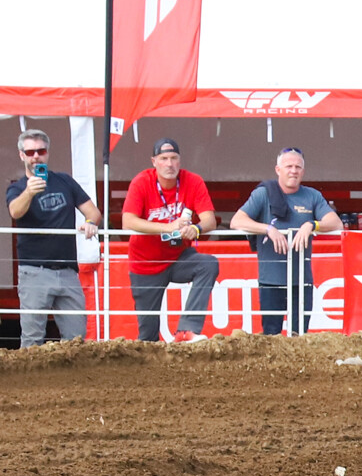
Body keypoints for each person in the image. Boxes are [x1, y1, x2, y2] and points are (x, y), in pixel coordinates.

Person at [230, 148, 341, 336]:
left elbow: (336, 223)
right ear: (278, 169)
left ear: (303, 172)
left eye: (298, 167)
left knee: (300, 336)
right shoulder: (263, 194)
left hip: (302, 280)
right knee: (271, 336)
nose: (294, 171)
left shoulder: (312, 195)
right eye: (289, 166)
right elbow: (237, 221)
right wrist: (268, 229)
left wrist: (311, 225)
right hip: (271, 280)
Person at [7, 130, 100, 347]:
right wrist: (29, 193)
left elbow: (94, 212)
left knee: (76, 336)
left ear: (47, 153)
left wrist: (90, 223)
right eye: (30, 152)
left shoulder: (64, 181)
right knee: (32, 337)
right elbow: (15, 212)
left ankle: (73, 381)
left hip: (68, 270)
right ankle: (27, 381)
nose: (36, 156)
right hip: (35, 271)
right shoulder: (17, 188)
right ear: (22, 155)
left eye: (41, 151)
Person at [122, 137, 217, 343]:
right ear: (154, 161)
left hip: (178, 257)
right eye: (164, 158)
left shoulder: (192, 180)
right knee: (147, 336)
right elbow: (127, 221)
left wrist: (196, 228)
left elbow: (209, 219)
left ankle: (186, 330)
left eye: (174, 158)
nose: (169, 164)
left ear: (180, 161)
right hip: (145, 264)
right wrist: (167, 227)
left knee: (208, 264)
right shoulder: (141, 181)